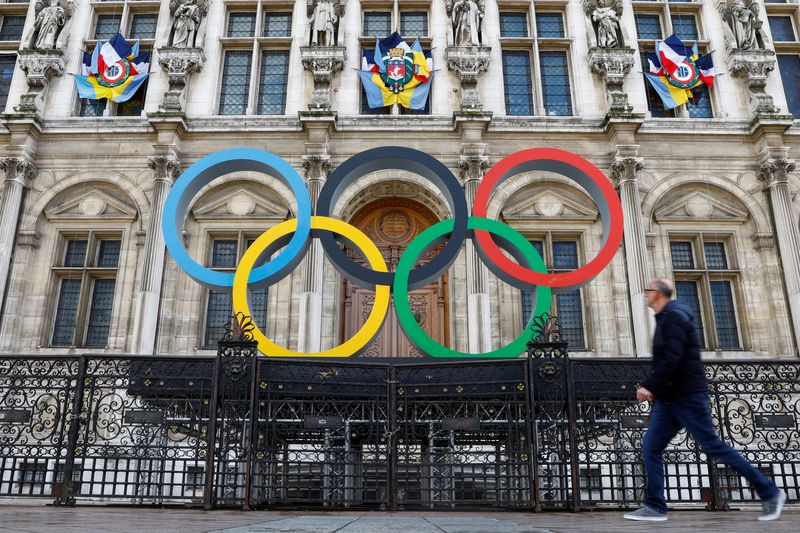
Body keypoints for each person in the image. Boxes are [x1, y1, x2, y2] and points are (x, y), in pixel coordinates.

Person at [624, 278, 786, 522]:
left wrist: (649, 386)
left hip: (687, 397)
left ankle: (770, 492)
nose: (645, 295)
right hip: (669, 400)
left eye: (647, 291)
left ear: (657, 293)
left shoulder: (674, 316)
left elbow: (673, 357)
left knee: (713, 446)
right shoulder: (667, 317)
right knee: (651, 448)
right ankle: (655, 506)